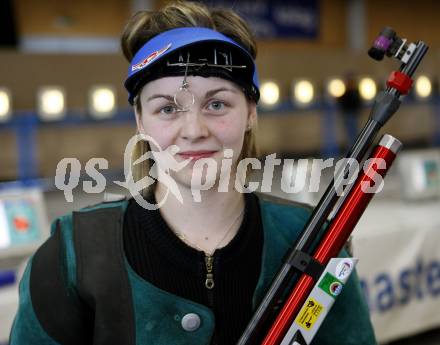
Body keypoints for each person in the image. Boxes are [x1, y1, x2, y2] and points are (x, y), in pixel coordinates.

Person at [9, 1, 377, 344]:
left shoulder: (312, 242)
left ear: (250, 112)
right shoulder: (73, 254)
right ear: (140, 120)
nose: (194, 130)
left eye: (216, 103)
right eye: (168, 109)